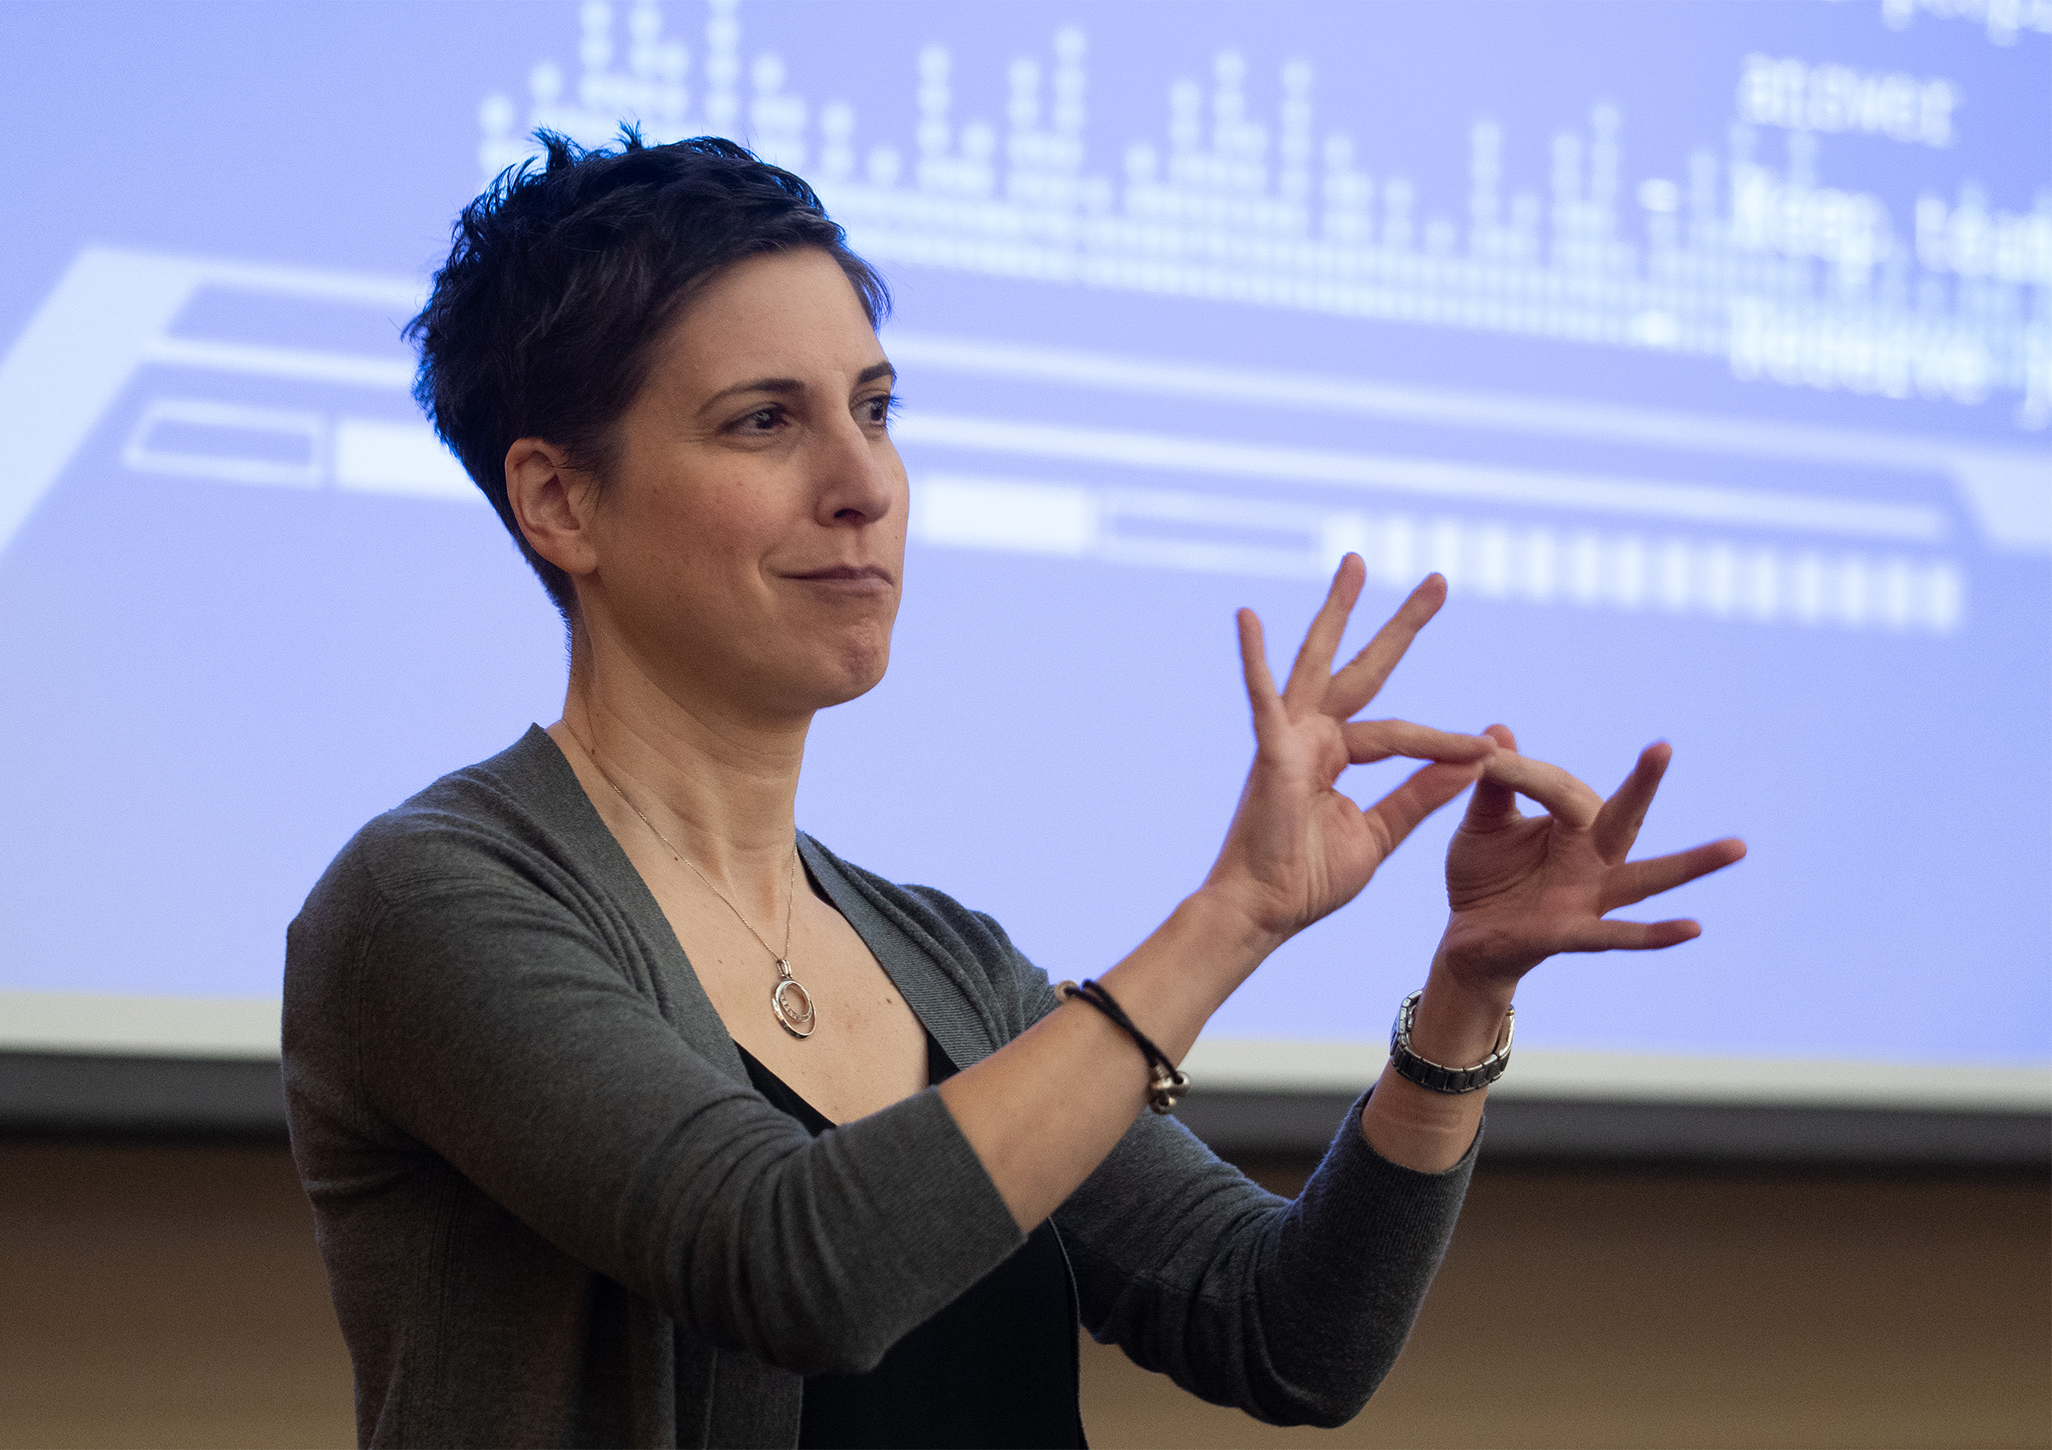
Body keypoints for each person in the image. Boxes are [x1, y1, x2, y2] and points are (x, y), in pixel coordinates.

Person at [282, 130, 1744, 1449]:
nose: (864, 482)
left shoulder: (944, 962)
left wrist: (1462, 1010)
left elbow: (1289, 1332)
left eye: (876, 406)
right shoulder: (434, 900)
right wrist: (1231, 917)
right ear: (559, 500)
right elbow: (798, 1266)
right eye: (763, 421)